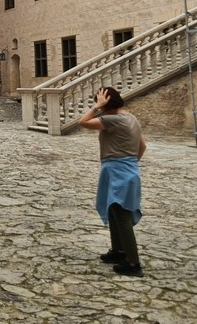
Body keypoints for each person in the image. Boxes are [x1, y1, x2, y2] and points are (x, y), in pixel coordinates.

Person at [79, 86, 147, 277]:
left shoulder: (113, 119)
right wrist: (130, 164)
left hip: (118, 170)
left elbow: (83, 122)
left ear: (106, 103)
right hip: (127, 169)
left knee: (121, 214)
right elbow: (142, 146)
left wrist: (97, 107)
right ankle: (118, 251)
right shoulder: (131, 117)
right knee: (114, 210)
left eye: (101, 102)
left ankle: (133, 263)